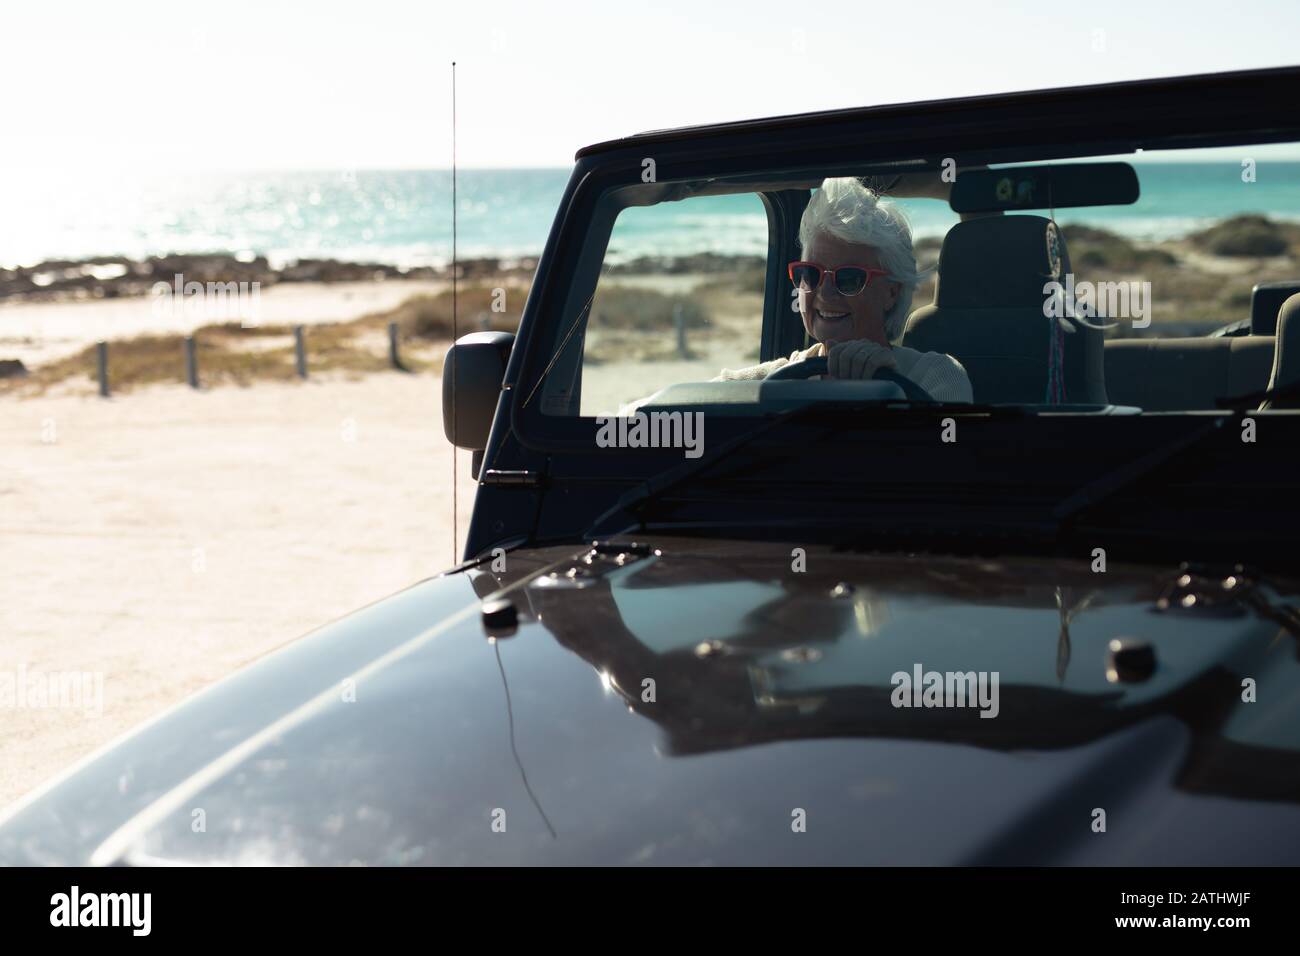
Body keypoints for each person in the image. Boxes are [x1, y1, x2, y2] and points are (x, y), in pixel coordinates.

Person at [715, 177, 972, 402]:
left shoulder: (934, 376)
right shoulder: (773, 378)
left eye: (849, 279)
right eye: (811, 274)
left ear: (891, 292)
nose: (825, 294)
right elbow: (689, 410)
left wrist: (886, 393)